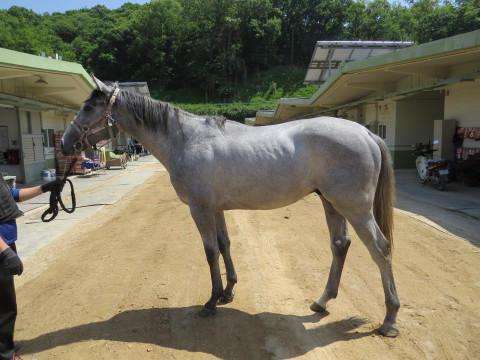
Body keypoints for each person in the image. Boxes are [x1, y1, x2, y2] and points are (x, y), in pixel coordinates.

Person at [0, 174, 63, 360]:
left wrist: (44, 188)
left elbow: (11, 194)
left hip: (5, 243)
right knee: (5, 306)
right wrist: (5, 252)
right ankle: (5, 354)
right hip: (1, 247)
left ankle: (4, 342)